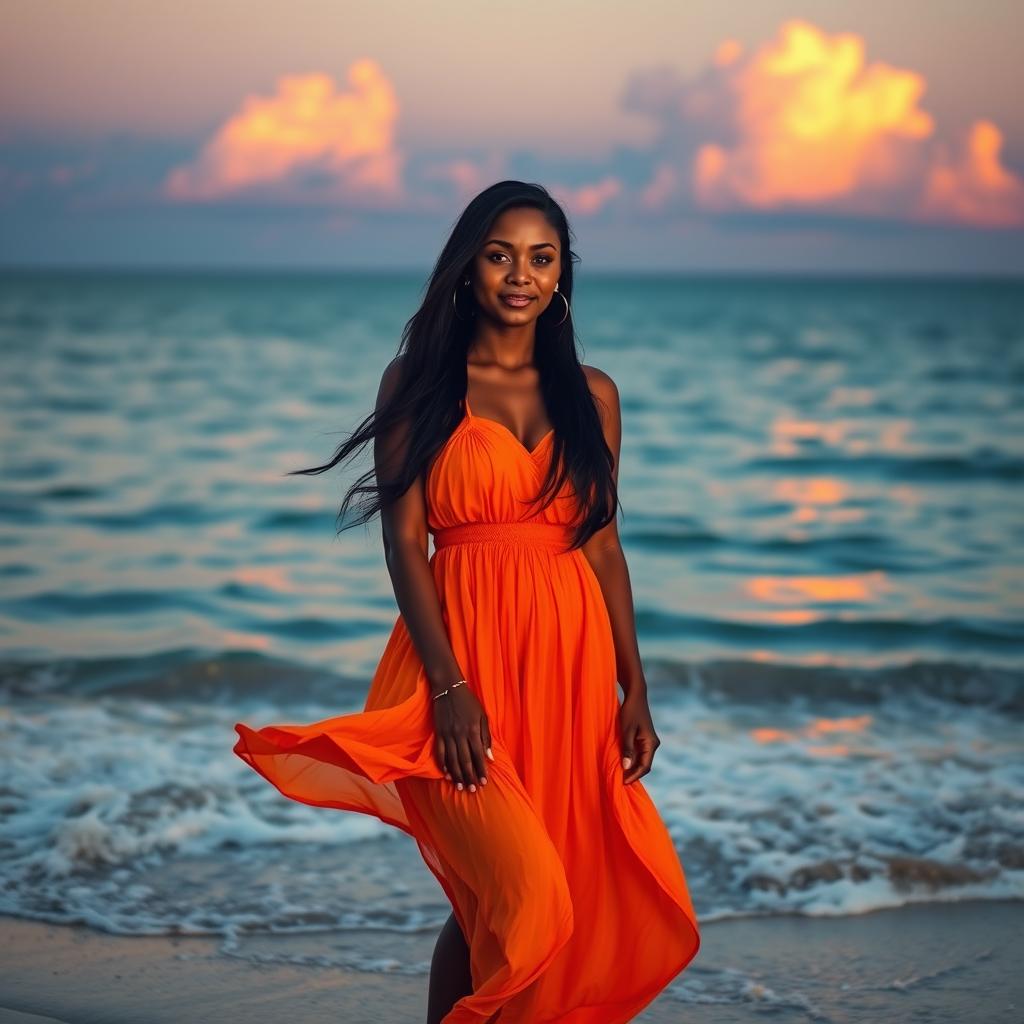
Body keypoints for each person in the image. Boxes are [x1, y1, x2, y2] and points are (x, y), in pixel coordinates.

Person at [234, 180, 700, 1023]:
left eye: (542, 257)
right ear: (466, 268)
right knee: (512, 889)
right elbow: (403, 542)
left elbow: (600, 543)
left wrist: (636, 687)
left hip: (570, 667)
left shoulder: (594, 395)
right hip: (461, 657)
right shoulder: (419, 382)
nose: (520, 275)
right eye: (499, 254)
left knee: (540, 890)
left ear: (562, 275)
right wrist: (447, 688)